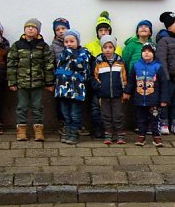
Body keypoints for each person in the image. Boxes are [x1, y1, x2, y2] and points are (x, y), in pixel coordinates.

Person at [7, 18, 55, 142]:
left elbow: (48, 65)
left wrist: (49, 82)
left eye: (33, 27)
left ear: (38, 31)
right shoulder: (17, 45)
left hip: (38, 83)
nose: (30, 29)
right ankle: (21, 130)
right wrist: (12, 82)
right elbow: (11, 64)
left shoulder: (43, 46)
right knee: (22, 107)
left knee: (37, 107)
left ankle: (38, 130)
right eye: (27, 27)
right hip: (21, 83)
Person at [123, 42, 168, 147]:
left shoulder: (158, 67)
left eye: (149, 51)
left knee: (154, 118)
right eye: (144, 51)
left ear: (154, 53)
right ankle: (141, 136)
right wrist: (127, 92)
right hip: (139, 99)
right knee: (141, 118)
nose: (146, 53)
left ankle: (156, 136)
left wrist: (164, 99)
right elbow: (131, 82)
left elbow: (164, 84)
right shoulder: (136, 66)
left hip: (154, 100)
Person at [84, 11, 119, 139]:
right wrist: (94, 84)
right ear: (97, 32)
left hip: (112, 86)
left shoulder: (117, 48)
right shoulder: (90, 47)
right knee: (95, 108)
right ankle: (97, 128)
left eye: (106, 30)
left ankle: (109, 129)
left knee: (111, 109)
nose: (103, 33)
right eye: (101, 30)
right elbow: (88, 69)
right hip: (97, 85)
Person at [54, 30, 90, 145]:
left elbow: (81, 67)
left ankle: (74, 133)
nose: (69, 44)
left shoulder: (83, 53)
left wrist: (71, 55)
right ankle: (68, 132)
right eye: (66, 42)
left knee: (75, 113)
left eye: (72, 41)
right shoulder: (63, 55)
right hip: (63, 90)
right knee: (65, 113)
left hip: (76, 90)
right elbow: (59, 70)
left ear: (77, 42)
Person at [93, 34, 128, 145]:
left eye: (110, 47)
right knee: (105, 115)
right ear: (101, 48)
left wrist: (125, 91)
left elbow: (124, 78)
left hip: (117, 95)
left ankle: (120, 135)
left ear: (114, 48)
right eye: (105, 47)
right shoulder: (98, 62)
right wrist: (99, 88)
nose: (107, 50)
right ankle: (108, 134)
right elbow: (94, 77)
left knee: (118, 115)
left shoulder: (120, 62)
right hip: (104, 95)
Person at [156, 11, 175, 135]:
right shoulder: (163, 41)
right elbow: (162, 60)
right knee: (165, 102)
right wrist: (165, 78)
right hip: (167, 79)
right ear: (169, 25)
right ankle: (164, 123)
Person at [51, 17, 71, 135]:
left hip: (74, 81)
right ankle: (62, 123)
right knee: (61, 104)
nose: (61, 31)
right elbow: (51, 64)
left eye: (63, 28)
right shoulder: (53, 47)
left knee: (74, 104)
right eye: (57, 29)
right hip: (60, 81)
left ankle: (75, 124)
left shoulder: (74, 43)